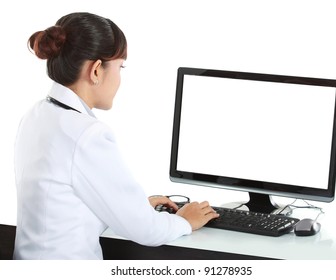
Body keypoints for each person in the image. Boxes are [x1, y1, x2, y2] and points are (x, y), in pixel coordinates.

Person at [13, 12, 219, 260]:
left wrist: (136, 207)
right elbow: (145, 231)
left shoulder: (36, 115)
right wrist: (185, 221)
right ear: (97, 70)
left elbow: (66, 211)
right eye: (120, 67)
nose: (120, 79)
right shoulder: (87, 134)